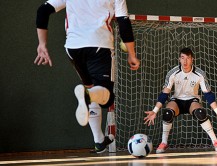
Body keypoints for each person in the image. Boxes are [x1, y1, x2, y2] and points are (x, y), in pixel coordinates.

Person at [34, 0, 140, 153]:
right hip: (99, 44)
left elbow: (42, 11)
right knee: (106, 97)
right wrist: (132, 54)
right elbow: (123, 22)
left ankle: (99, 140)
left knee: (92, 89)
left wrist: (42, 44)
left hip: (73, 47)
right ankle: (87, 95)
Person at [144, 47, 217, 153]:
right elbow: (164, 94)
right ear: (179, 59)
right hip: (177, 101)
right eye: (182, 58)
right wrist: (154, 111)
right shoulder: (173, 73)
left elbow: (208, 95)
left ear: (192, 59)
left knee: (201, 112)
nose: (185, 61)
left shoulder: (199, 74)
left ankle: (215, 141)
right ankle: (164, 142)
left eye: (188, 58)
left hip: (192, 101)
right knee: (167, 113)